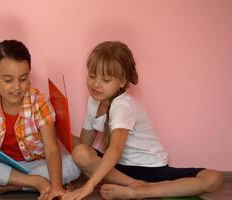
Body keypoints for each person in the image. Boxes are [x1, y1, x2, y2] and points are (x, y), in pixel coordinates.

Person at [62, 41, 222, 200]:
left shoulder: (122, 106)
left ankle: (140, 191)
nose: (96, 84)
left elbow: (116, 150)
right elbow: (83, 144)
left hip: (148, 169)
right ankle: (135, 184)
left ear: (122, 81)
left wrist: (88, 187)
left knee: (213, 178)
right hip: (119, 169)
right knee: (80, 152)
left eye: (105, 80)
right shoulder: (93, 101)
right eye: (92, 76)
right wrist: (54, 125)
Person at [0, 40, 80, 200]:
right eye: (8, 80)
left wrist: (56, 187)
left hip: (33, 165)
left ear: (29, 73)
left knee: (74, 165)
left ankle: (2, 186)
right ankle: (33, 182)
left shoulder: (39, 102)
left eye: (23, 78)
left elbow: (52, 149)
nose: (17, 87)